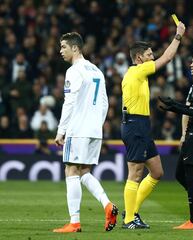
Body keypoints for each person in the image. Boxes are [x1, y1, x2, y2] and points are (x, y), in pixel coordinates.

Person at [121, 21, 186, 229]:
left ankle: (131, 211)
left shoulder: (137, 75)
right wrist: (178, 35)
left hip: (141, 125)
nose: (152, 58)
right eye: (149, 54)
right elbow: (167, 58)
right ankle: (129, 219)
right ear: (139, 58)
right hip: (134, 124)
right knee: (135, 172)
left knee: (157, 172)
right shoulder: (137, 71)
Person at [53, 32, 118, 233]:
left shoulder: (74, 71)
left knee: (71, 171)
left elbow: (69, 102)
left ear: (75, 48)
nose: (60, 51)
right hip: (94, 130)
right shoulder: (97, 70)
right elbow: (105, 102)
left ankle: (74, 222)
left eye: (63, 47)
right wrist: (96, 124)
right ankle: (108, 205)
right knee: (84, 172)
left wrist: (61, 130)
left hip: (78, 128)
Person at [158, 49, 193, 230]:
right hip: (192, 133)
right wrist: (176, 108)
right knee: (180, 175)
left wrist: (175, 106)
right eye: (191, 61)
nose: (191, 64)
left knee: (190, 176)